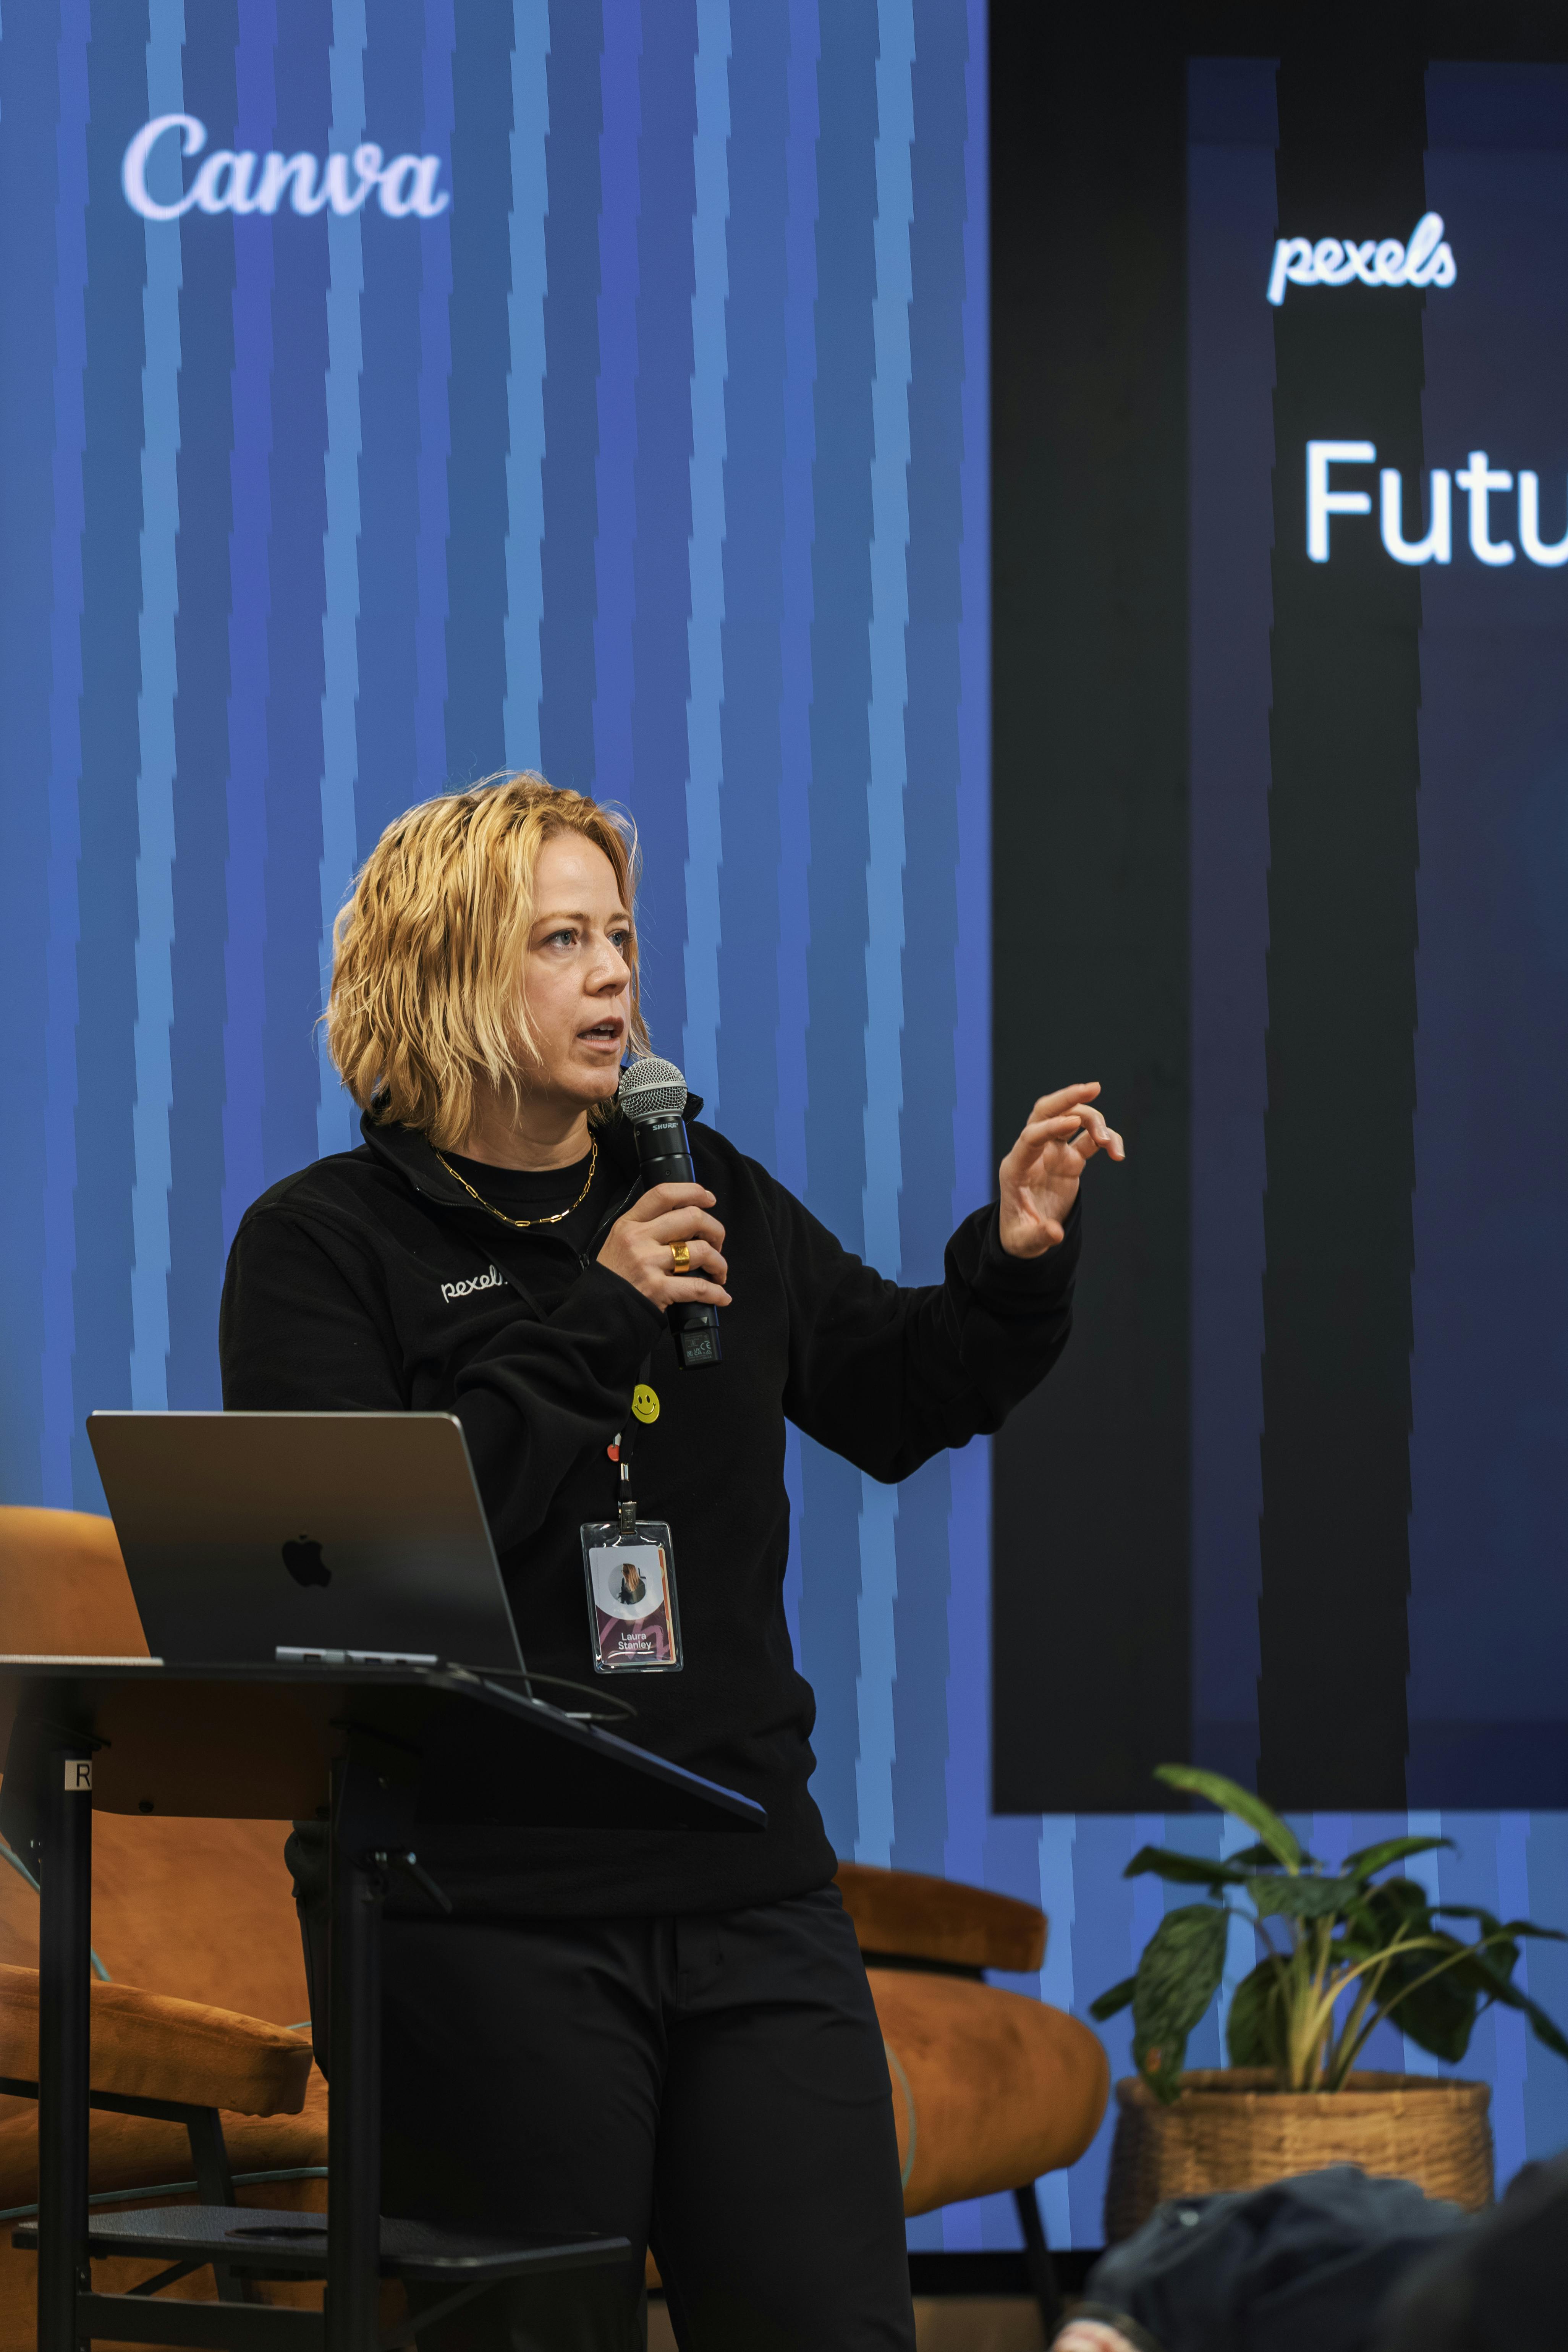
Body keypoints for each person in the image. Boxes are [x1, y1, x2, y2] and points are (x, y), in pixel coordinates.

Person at [219, 773, 1124, 2352]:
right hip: (478, 1907)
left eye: (620, 934)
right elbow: (356, 1563)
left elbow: (900, 1394)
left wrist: (1012, 1262)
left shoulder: (704, 1191)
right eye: (560, 937)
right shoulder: (324, 1246)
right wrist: (600, 1318)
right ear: (439, 971)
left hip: (746, 1885)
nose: (615, 973)